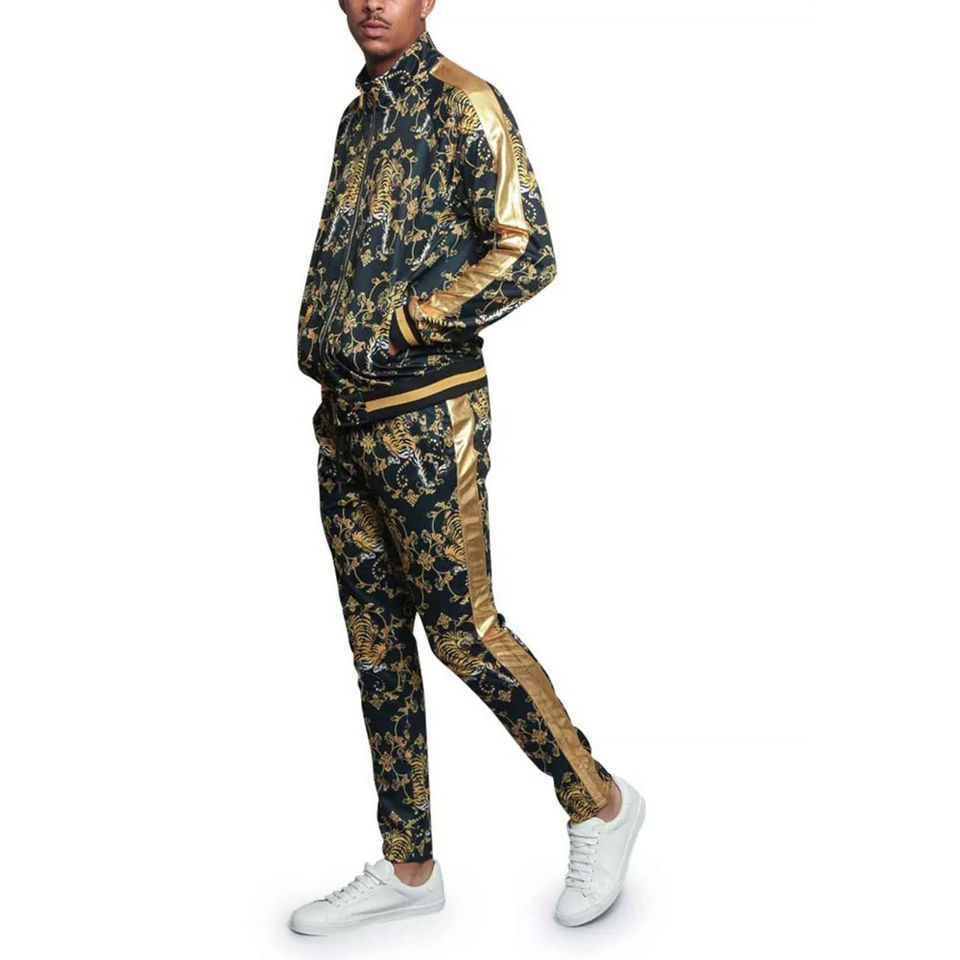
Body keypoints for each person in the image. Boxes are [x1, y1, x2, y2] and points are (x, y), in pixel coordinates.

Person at [290, 0, 645, 934]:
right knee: (376, 646)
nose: (372, 3)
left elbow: (527, 252)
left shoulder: (466, 101)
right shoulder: (358, 114)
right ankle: (409, 866)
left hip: (425, 417)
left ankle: (600, 803)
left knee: (464, 632)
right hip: (342, 423)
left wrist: (409, 325)